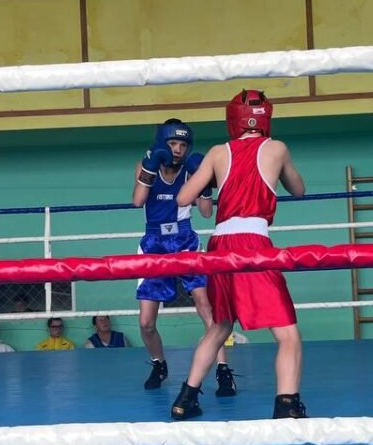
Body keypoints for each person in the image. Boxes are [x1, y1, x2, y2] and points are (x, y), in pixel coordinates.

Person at [170, 90, 308, 420]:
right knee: (288, 334)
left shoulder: (218, 152)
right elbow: (299, 190)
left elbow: (183, 198)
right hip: (253, 243)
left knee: (220, 326)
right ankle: (287, 404)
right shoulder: (276, 148)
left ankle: (185, 399)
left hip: (220, 244)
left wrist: (208, 177)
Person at [132, 119, 235, 394]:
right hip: (154, 243)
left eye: (182, 145)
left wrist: (205, 183)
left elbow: (206, 213)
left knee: (205, 306)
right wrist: (150, 168)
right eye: (172, 144)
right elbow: (138, 201)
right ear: (162, 144)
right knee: (146, 322)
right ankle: (159, 363)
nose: (178, 149)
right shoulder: (145, 165)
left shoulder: (192, 171)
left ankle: (223, 370)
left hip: (185, 240)